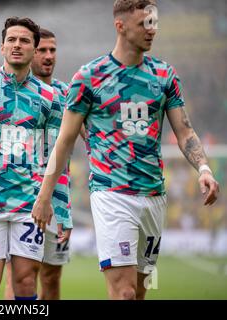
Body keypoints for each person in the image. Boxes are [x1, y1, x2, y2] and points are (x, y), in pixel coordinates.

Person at [32, 0, 220, 300]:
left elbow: (184, 131)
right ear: (120, 26)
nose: (152, 29)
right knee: (124, 294)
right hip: (111, 193)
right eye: (145, 23)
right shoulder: (89, 77)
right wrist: (44, 196)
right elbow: (65, 140)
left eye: (154, 22)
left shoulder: (164, 75)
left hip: (154, 195)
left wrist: (204, 169)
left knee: (140, 292)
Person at [0, 17, 72, 300]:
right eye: (11, 40)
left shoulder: (50, 97)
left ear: (34, 49)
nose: (17, 45)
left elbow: (55, 157)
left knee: (25, 284)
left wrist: (60, 208)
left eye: (24, 41)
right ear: (2, 47)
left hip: (30, 206)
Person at [4, 28, 72, 300]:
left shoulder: (67, 93)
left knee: (52, 276)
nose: (48, 56)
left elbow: (91, 134)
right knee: (20, 275)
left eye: (52, 50)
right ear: (31, 52)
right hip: (21, 195)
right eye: (42, 50)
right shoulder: (14, 93)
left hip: (56, 197)